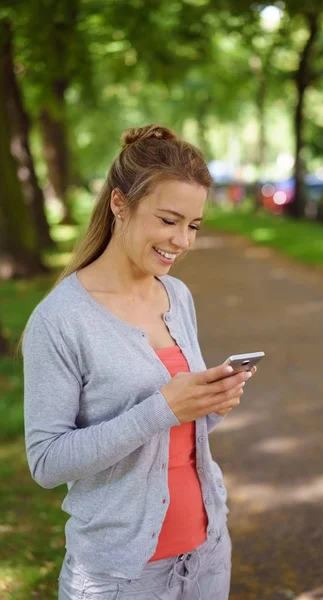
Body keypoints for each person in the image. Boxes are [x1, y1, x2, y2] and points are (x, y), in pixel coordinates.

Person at [23, 124, 256, 600]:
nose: (183, 241)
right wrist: (162, 408)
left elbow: (174, 434)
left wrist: (210, 405)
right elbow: (46, 462)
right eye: (169, 220)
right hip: (119, 576)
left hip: (206, 553)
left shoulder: (176, 294)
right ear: (119, 205)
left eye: (193, 225)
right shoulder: (62, 319)